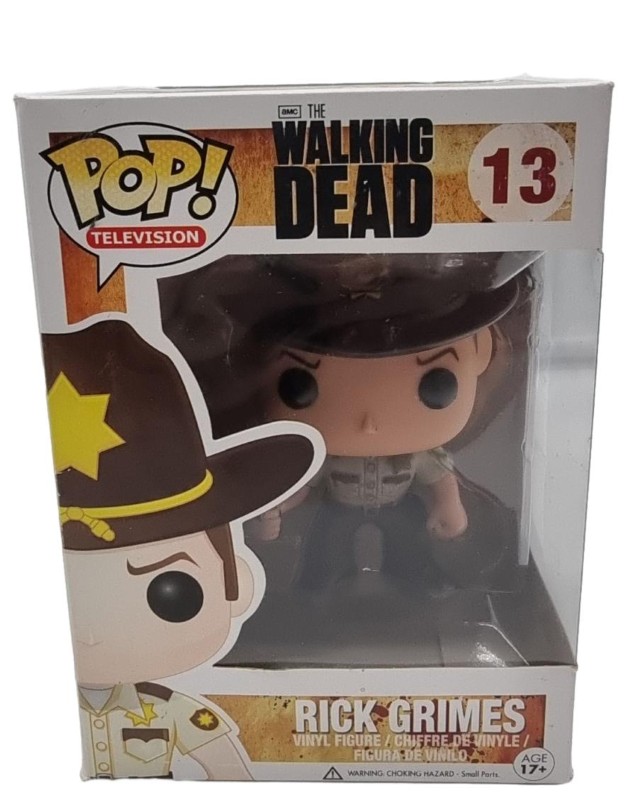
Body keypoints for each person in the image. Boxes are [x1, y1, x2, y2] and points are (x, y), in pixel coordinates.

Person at [44, 320, 316, 778]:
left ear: (236, 583)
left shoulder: (171, 710)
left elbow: (235, 775)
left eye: (171, 594)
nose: (88, 634)